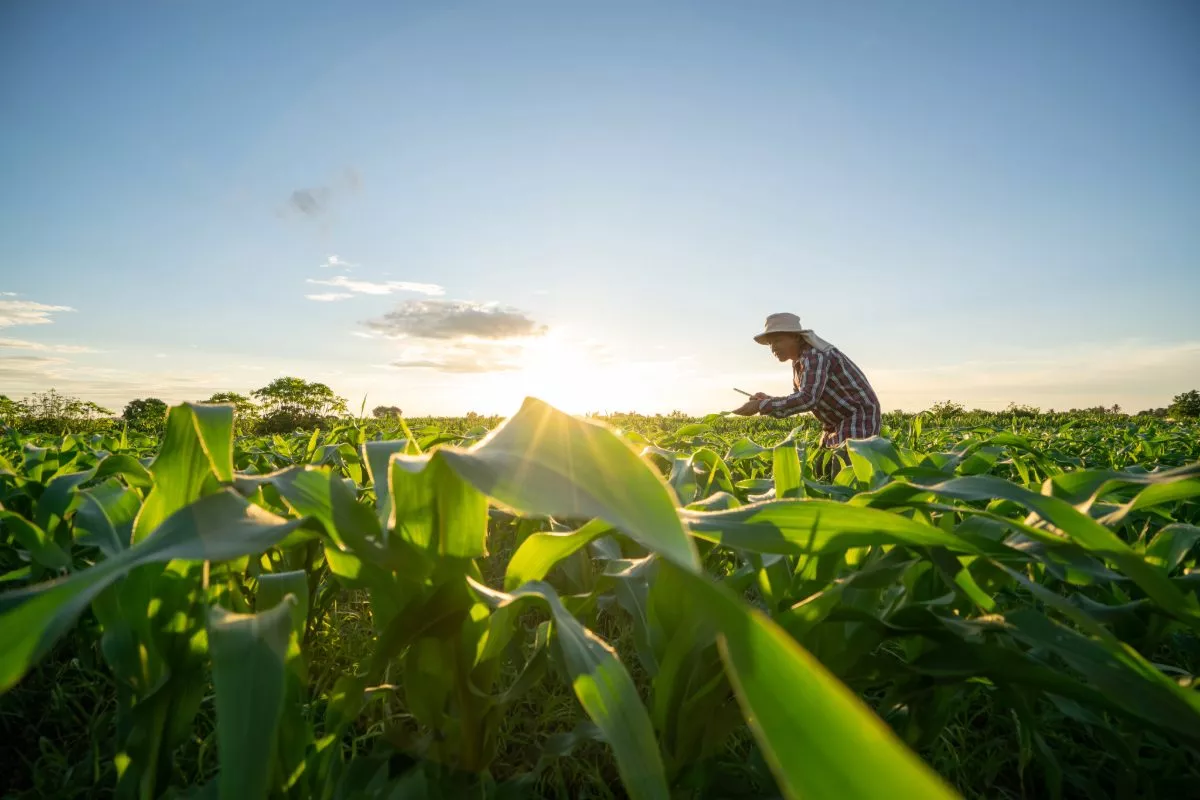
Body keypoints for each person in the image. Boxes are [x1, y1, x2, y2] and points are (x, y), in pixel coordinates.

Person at [733, 312, 881, 476]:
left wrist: (760, 405)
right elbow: (799, 398)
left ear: (796, 337)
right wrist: (767, 400)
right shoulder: (799, 362)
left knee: (843, 471)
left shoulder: (814, 356)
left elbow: (807, 399)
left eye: (777, 340)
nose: (773, 347)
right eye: (769, 343)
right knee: (821, 469)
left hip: (857, 417)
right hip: (834, 423)